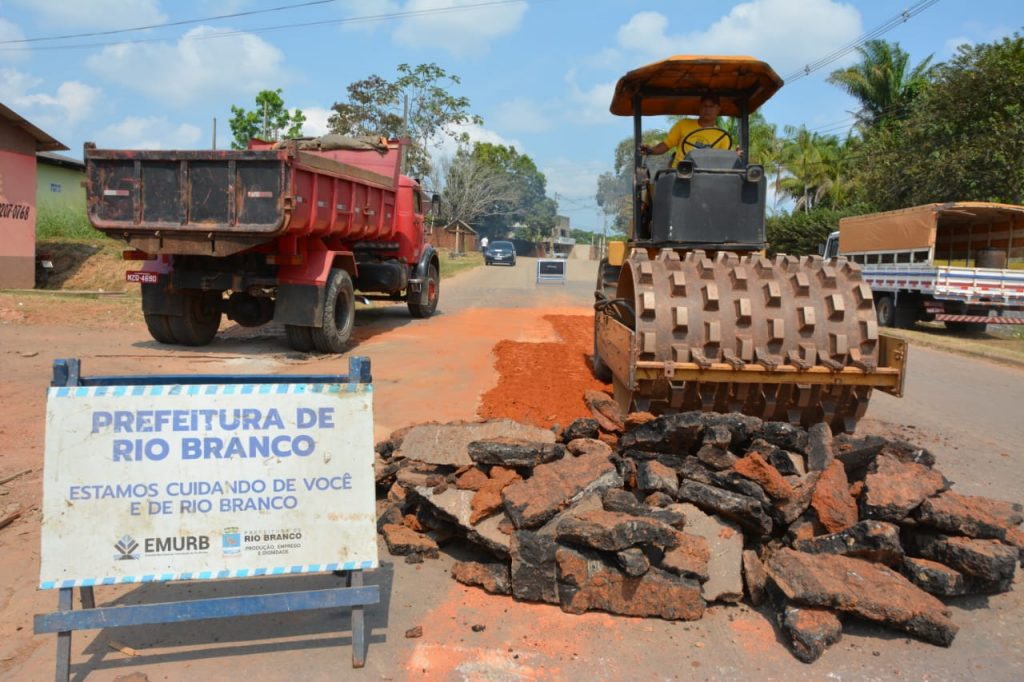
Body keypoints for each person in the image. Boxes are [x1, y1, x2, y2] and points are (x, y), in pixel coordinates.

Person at [640, 92, 739, 165]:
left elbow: (724, 160)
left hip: (706, 178)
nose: (707, 109)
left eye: (711, 106)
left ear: (718, 109)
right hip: (679, 174)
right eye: (704, 106)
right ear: (699, 108)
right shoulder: (683, 124)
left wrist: (735, 156)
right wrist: (650, 150)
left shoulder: (722, 136)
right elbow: (666, 145)